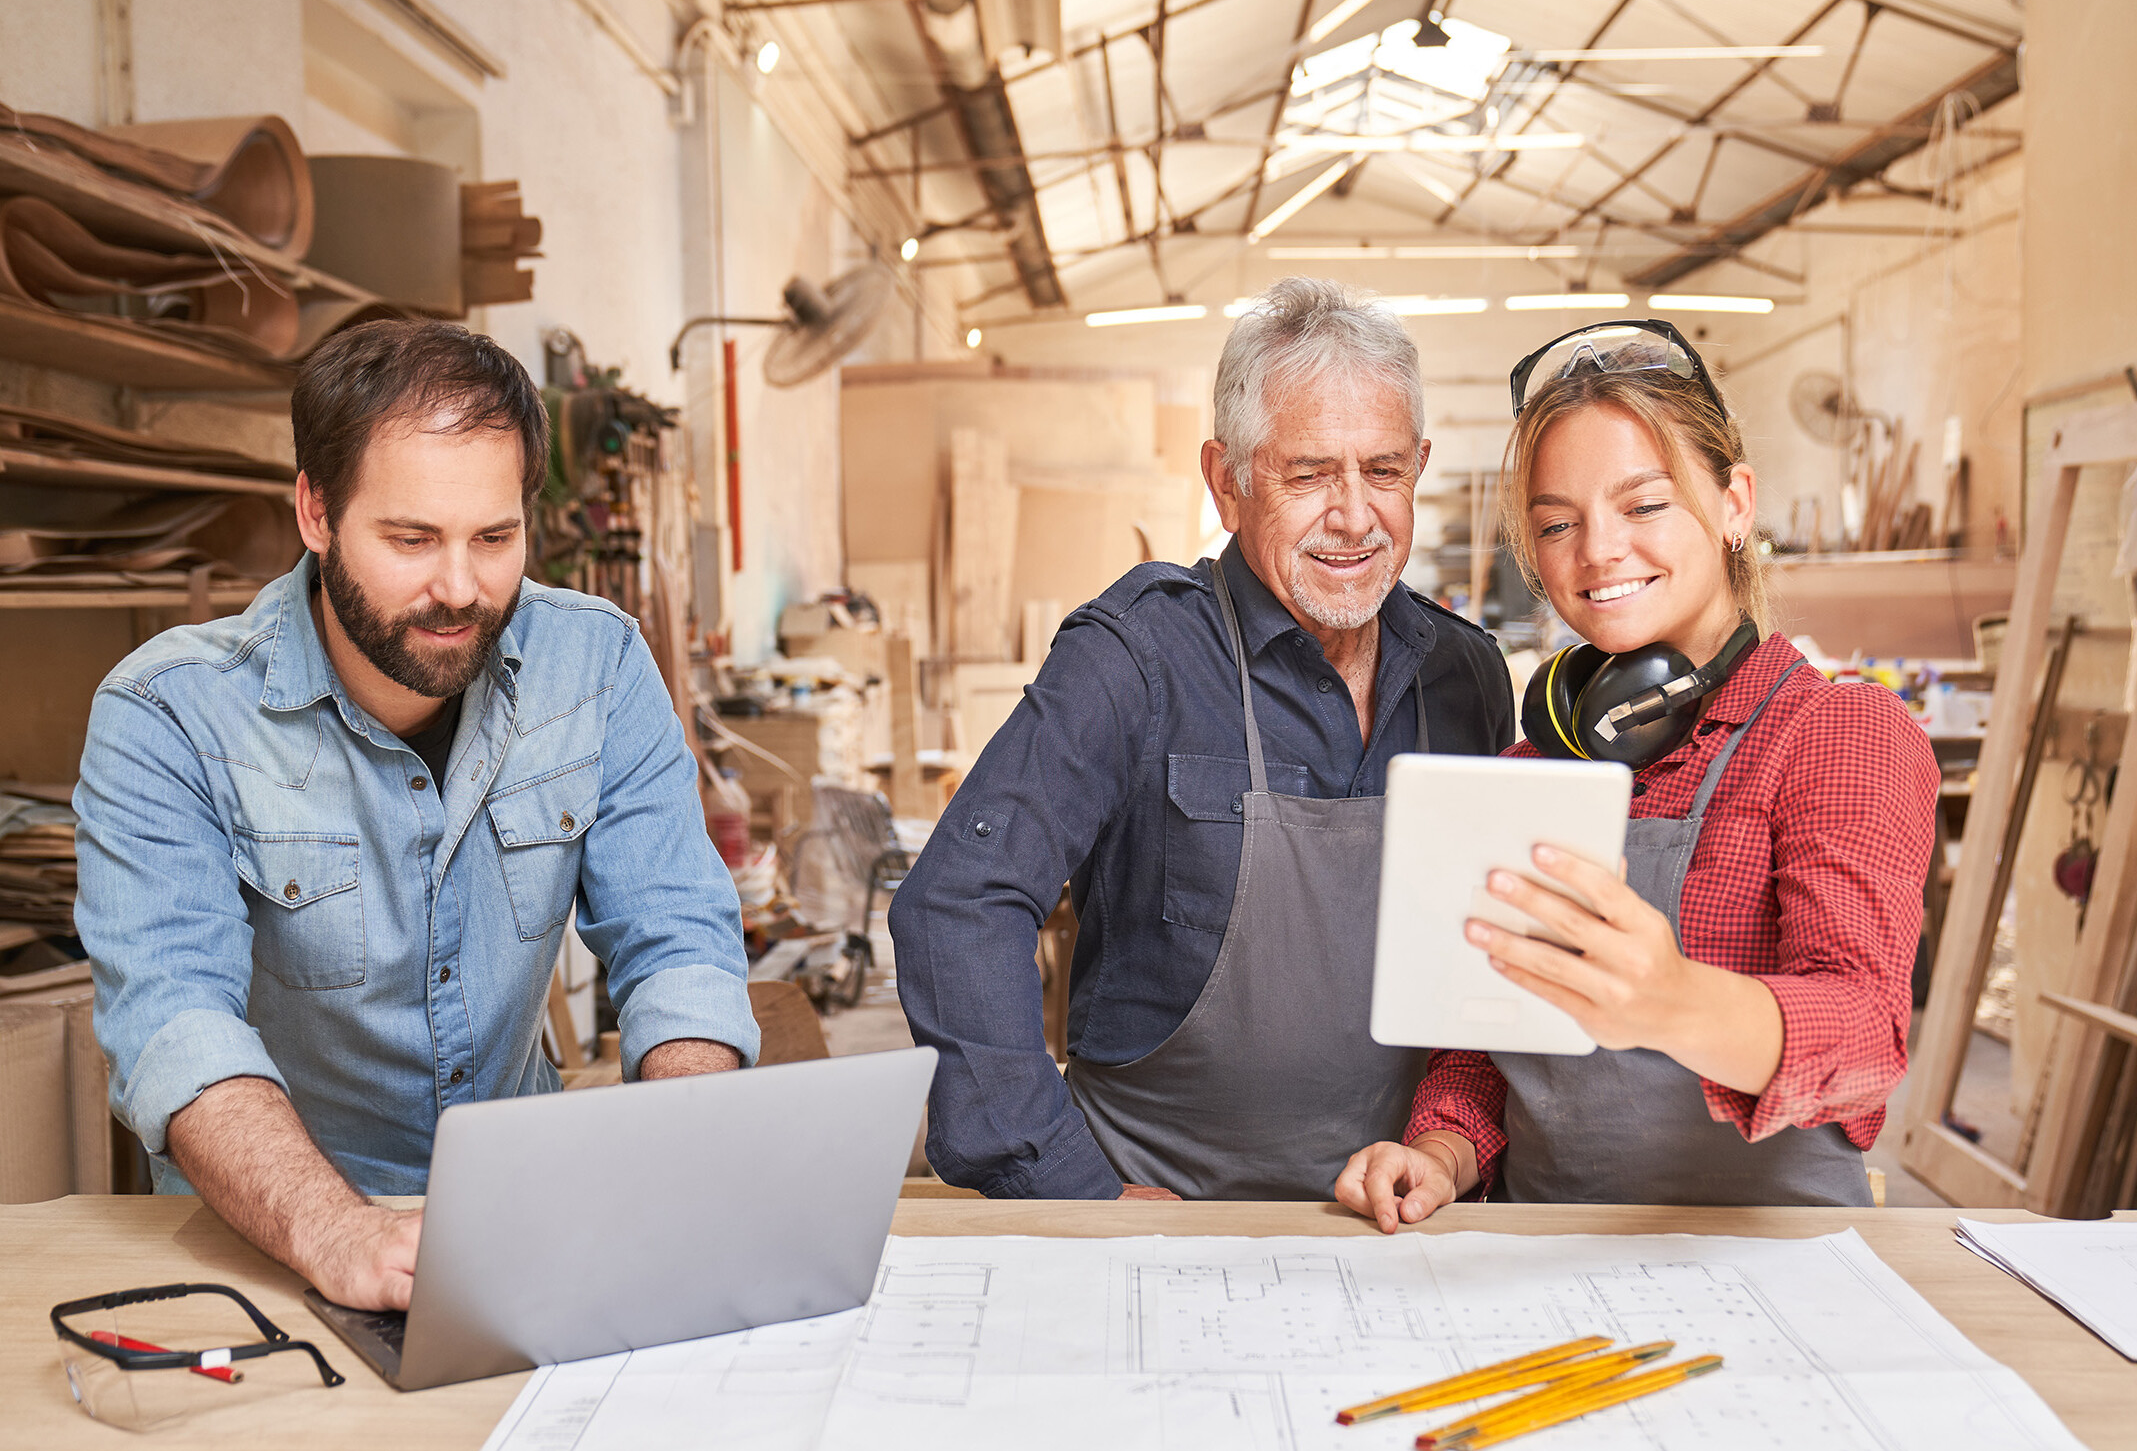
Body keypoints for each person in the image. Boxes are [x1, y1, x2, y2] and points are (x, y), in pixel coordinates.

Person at [76, 320, 759, 1309]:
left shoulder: (597, 664)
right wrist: (338, 1229)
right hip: (272, 1245)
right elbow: (175, 1022)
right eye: (410, 539)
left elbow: (677, 941)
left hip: (529, 1227)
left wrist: (687, 1144)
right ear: (315, 511)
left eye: (494, 538)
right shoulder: (166, 716)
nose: (459, 588)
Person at [891, 278, 1516, 1201]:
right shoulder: (1134, 659)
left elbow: (1484, 977)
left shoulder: (1463, 676)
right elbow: (958, 907)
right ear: (1228, 482)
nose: (1353, 516)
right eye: (1308, 474)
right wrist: (1069, 1187)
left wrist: (1451, 1152)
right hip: (1158, 1218)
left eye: (1382, 471)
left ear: (1418, 465)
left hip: (1395, 1215)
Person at [1335, 320, 1937, 1226]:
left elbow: (1864, 1038)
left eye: (1643, 505)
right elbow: (1486, 1048)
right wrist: (1439, 1154)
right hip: (1543, 1253)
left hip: (1772, 1261)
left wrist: (1670, 1001)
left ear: (1735, 502)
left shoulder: (1835, 734)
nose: (1598, 550)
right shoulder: (1534, 764)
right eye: (1556, 523)